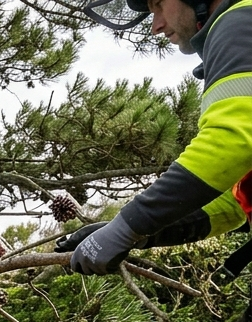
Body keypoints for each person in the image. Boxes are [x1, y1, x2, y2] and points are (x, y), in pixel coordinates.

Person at [62, 0, 252, 281]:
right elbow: (234, 205)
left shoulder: (239, 19)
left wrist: (129, 224)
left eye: (159, 4)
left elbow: (235, 139)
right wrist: (142, 232)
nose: (156, 26)